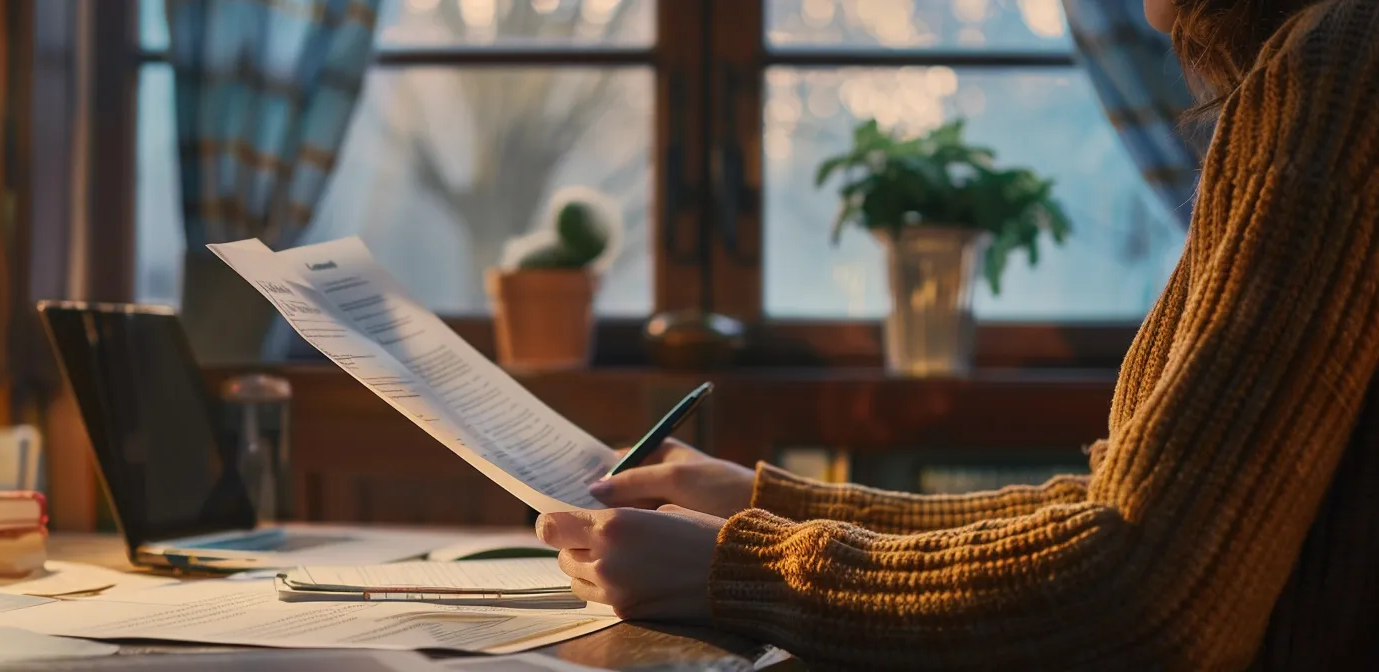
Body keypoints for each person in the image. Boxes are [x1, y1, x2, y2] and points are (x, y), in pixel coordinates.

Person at [534, 0, 1379, 668]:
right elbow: (1115, 516)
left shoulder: (1342, 67)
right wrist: (762, 504)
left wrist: (739, 570)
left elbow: (1148, 597)